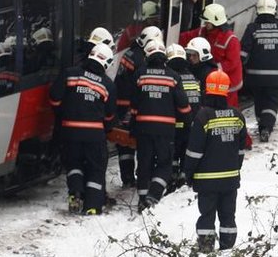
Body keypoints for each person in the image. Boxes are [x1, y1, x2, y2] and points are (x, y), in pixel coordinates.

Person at [49, 42, 118, 215]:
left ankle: (75, 194)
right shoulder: (107, 85)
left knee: (74, 164)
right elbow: (110, 115)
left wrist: (63, 114)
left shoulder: (70, 74)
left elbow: (54, 97)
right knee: (96, 168)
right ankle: (92, 207)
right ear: (107, 62)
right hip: (94, 134)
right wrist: (106, 128)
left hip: (69, 131)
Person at [183, 70, 248, 253]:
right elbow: (241, 149)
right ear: (226, 91)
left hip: (206, 180)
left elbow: (194, 152)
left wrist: (188, 174)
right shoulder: (237, 116)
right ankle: (227, 250)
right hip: (230, 179)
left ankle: (206, 249)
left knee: (207, 216)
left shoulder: (203, 117)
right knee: (228, 216)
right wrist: (235, 167)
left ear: (207, 90)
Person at [131, 39, 191, 211]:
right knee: (164, 163)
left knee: (144, 162)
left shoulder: (140, 74)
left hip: (143, 127)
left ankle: (143, 198)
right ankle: (154, 194)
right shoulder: (173, 76)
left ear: (147, 55)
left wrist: (134, 123)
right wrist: (188, 121)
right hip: (166, 129)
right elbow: (182, 104)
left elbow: (134, 104)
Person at [114, 25, 162, 188]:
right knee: (140, 141)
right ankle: (141, 177)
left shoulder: (130, 52)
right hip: (131, 106)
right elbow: (140, 85)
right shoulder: (141, 58)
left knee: (124, 144)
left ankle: (127, 178)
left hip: (120, 104)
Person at [240, 0, 278, 142]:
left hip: (255, 76)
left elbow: (243, 53)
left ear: (258, 11)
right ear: (274, 11)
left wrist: (243, 65)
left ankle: (261, 125)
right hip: (276, 77)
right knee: (272, 102)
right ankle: (266, 128)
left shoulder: (252, 28)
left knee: (259, 101)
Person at [180, 4, 244, 110]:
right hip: (212, 79)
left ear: (216, 22)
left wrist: (213, 68)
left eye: (207, 22)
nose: (205, 24)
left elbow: (232, 63)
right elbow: (185, 38)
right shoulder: (203, 32)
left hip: (228, 84)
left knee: (228, 109)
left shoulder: (231, 40)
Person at [165, 43, 201, 190]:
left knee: (172, 154)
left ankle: (172, 177)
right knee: (185, 153)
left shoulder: (172, 77)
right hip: (192, 124)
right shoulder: (192, 77)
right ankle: (183, 176)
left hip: (176, 125)